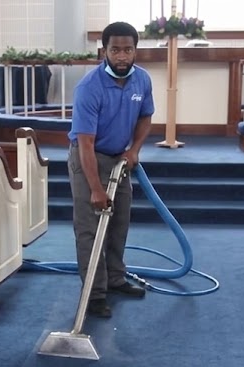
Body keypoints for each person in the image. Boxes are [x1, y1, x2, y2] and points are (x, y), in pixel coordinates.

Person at [67, 21, 154, 319]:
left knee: (118, 223)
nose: (121, 56)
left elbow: (146, 117)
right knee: (90, 229)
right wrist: (95, 188)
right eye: (115, 49)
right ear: (104, 50)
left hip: (120, 159)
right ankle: (94, 292)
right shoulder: (89, 88)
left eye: (127, 50)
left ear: (135, 51)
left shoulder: (141, 80)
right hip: (88, 158)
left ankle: (115, 278)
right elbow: (85, 143)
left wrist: (134, 150)